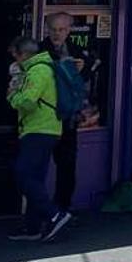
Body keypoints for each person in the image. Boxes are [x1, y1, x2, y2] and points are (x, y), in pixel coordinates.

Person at [6, 38, 70, 242]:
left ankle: (54, 214)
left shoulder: (38, 71)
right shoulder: (41, 68)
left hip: (39, 129)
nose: (14, 60)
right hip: (45, 129)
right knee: (35, 177)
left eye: (15, 55)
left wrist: (12, 96)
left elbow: (27, 101)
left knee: (23, 174)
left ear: (23, 54)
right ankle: (32, 226)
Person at [39, 13, 91, 216]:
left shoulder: (79, 51)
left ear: (69, 30)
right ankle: (40, 211)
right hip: (44, 117)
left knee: (67, 165)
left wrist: (83, 69)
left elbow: (89, 78)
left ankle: (63, 208)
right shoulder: (39, 50)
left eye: (61, 30)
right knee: (38, 166)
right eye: (53, 29)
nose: (56, 34)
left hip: (68, 118)